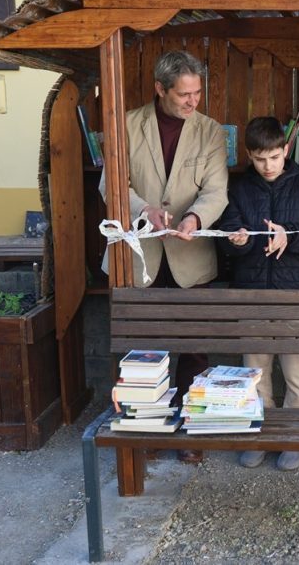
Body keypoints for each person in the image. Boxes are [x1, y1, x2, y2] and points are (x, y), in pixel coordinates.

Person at [100, 50, 229, 464]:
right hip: (140, 252)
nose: (193, 102)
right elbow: (111, 185)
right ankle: (145, 429)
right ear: (160, 89)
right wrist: (144, 211)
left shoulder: (209, 131)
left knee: (194, 347)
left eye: (197, 93)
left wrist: (194, 217)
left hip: (191, 254)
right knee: (141, 349)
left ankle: (191, 429)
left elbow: (216, 190)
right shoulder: (125, 123)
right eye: (183, 95)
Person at [219, 116, 299, 471]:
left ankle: (296, 437)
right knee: (255, 371)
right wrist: (235, 240)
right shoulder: (239, 188)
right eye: (259, 159)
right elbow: (225, 234)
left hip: (295, 295)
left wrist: (290, 234)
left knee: (297, 373)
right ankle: (260, 435)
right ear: (249, 156)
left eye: (274, 157)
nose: (267, 166)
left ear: (285, 150)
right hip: (251, 293)